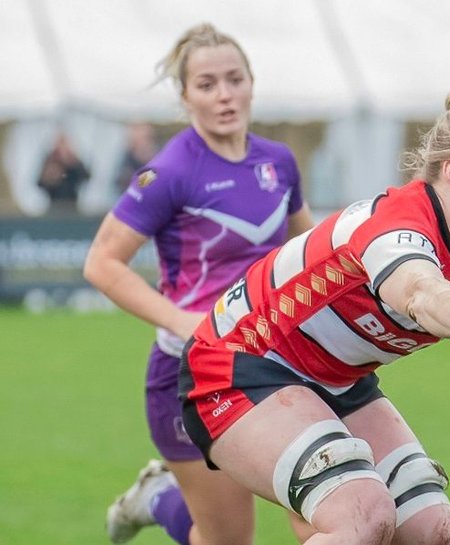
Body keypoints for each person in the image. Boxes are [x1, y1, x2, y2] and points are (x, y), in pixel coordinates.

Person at [178, 88, 450, 545]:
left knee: (432, 532)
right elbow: (421, 291)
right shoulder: (397, 226)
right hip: (238, 366)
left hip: (335, 378)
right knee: (361, 517)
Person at [84, 23, 316, 545]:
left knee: (329, 508)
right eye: (207, 84)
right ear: (185, 96)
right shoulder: (168, 173)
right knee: (227, 540)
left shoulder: (277, 162)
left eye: (235, 79)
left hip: (276, 362)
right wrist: (185, 322)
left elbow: (310, 253)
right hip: (190, 373)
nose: (225, 94)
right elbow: (102, 263)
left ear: (252, 82)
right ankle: (158, 498)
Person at [37, 132, 91, 214]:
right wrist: (50, 177)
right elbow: (40, 183)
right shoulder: (50, 160)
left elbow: (85, 177)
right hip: (54, 205)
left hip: (72, 205)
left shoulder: (74, 160)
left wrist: (72, 162)